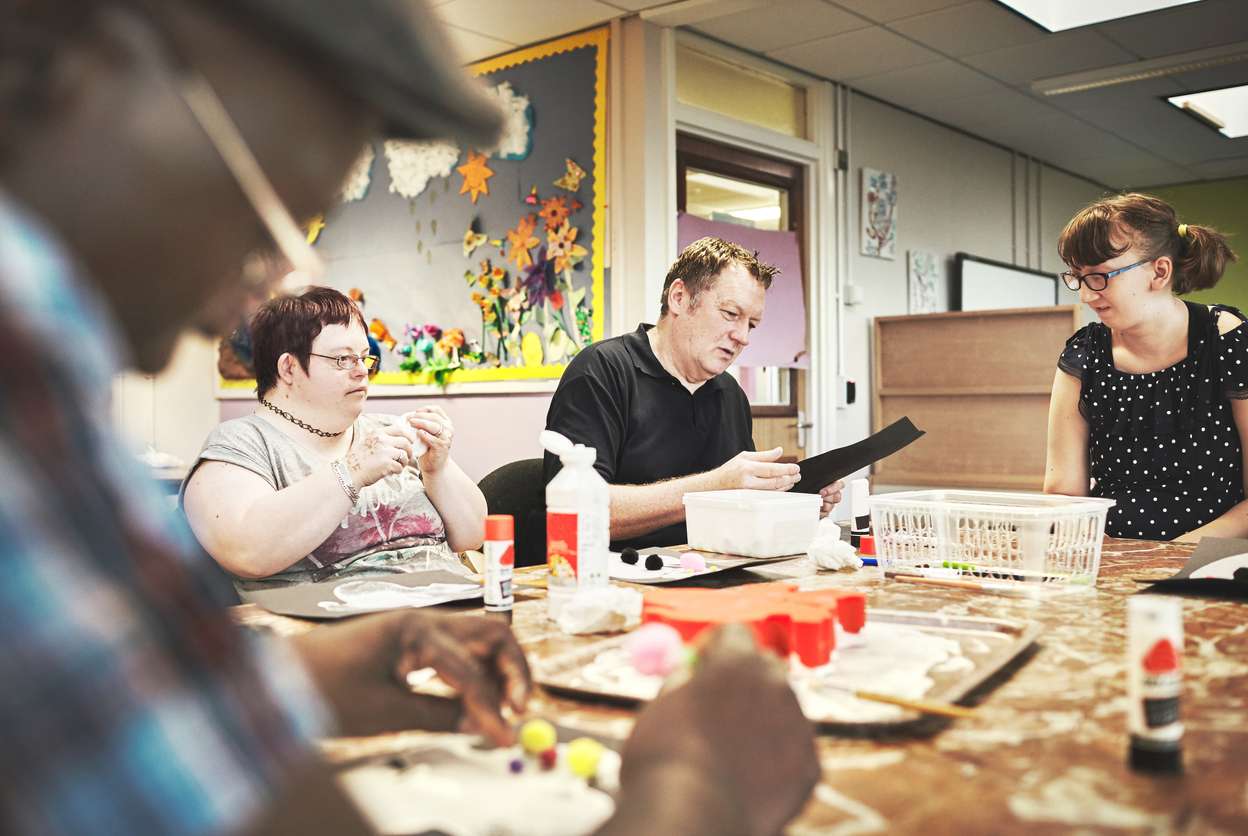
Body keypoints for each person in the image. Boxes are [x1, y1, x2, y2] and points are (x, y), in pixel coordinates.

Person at [0, 2, 819, 835]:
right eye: (273, 205)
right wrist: (697, 783)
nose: (283, 271)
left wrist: (306, 675)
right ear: (100, 65)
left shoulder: (54, 372)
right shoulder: (20, 346)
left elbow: (98, 697)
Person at [544, 236, 844, 550]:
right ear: (679, 298)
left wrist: (797, 505)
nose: (743, 337)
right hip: (617, 582)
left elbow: (737, 514)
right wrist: (717, 486)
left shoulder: (730, 394)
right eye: (730, 314)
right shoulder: (601, 371)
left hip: (713, 573)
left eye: (752, 324)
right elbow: (579, 510)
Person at [183, 286, 486, 592]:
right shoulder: (240, 445)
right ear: (288, 367)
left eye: (364, 359)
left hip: (449, 607)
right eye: (343, 359)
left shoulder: (388, 431)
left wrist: (437, 469)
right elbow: (246, 552)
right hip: (340, 629)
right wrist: (351, 471)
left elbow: (473, 535)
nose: (361, 373)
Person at [1044, 192, 1248, 541]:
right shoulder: (1085, 353)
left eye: (1101, 276)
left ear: (1160, 271)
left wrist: (1168, 557)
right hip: (1108, 556)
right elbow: (1064, 493)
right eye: (1078, 276)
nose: (1086, 294)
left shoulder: (1228, 342)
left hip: (1204, 562)